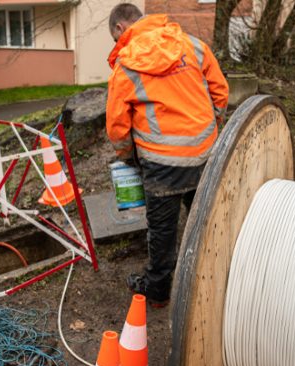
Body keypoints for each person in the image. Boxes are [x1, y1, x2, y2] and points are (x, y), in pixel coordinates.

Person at [105, 4, 229, 307]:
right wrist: (209, 127)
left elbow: (118, 127)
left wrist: (127, 156)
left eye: (114, 38)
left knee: (162, 229)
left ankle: (158, 291)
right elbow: (221, 93)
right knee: (204, 219)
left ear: (121, 29)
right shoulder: (194, 46)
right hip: (204, 154)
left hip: (161, 164)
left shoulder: (127, 64)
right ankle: (217, 279)